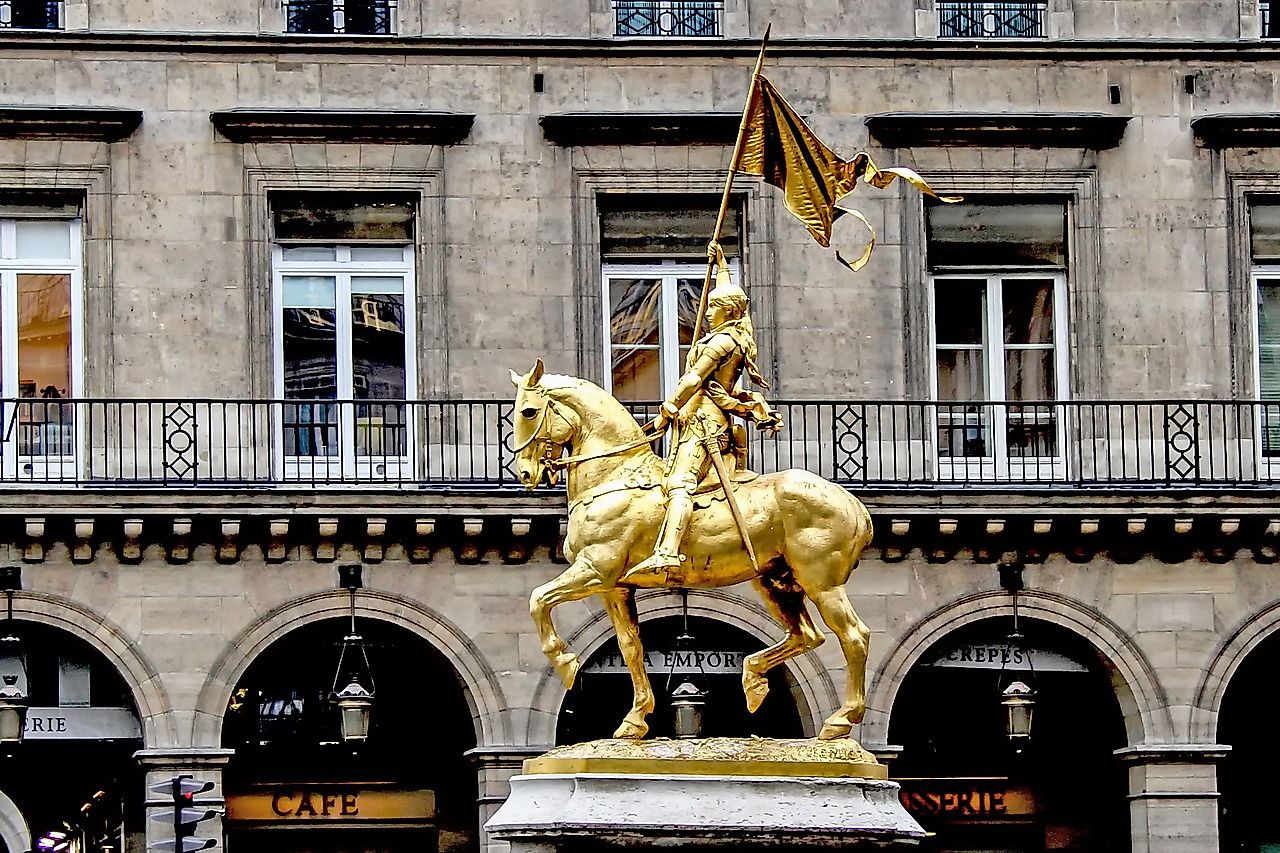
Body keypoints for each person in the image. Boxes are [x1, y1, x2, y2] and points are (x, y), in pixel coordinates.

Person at [623, 242, 782, 583]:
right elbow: (736, 303)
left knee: (680, 483)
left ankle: (667, 551)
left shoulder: (721, 342)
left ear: (726, 312)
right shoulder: (736, 335)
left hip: (703, 420)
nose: (707, 312)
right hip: (702, 416)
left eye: (713, 308)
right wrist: (722, 265)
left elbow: (694, 378)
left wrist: (669, 407)